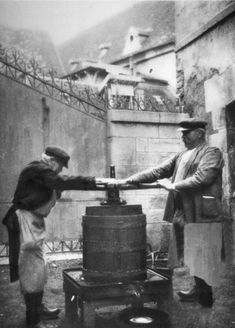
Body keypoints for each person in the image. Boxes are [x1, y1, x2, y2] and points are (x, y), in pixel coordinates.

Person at [117, 118, 224, 307]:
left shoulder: (212, 153)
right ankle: (197, 289)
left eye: (186, 133)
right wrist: (130, 179)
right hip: (184, 211)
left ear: (199, 133)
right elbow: (159, 171)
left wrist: (173, 186)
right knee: (190, 253)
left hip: (202, 213)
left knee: (202, 254)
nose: (183, 136)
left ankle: (206, 300)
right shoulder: (182, 155)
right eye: (182, 133)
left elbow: (203, 178)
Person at [2, 145, 110, 328]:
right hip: (26, 219)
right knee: (32, 270)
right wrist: (94, 181)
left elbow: (54, 186)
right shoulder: (37, 169)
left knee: (38, 268)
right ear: (51, 160)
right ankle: (33, 320)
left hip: (33, 220)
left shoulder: (43, 173)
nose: (60, 170)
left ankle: (38, 308)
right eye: (60, 165)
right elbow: (60, 181)